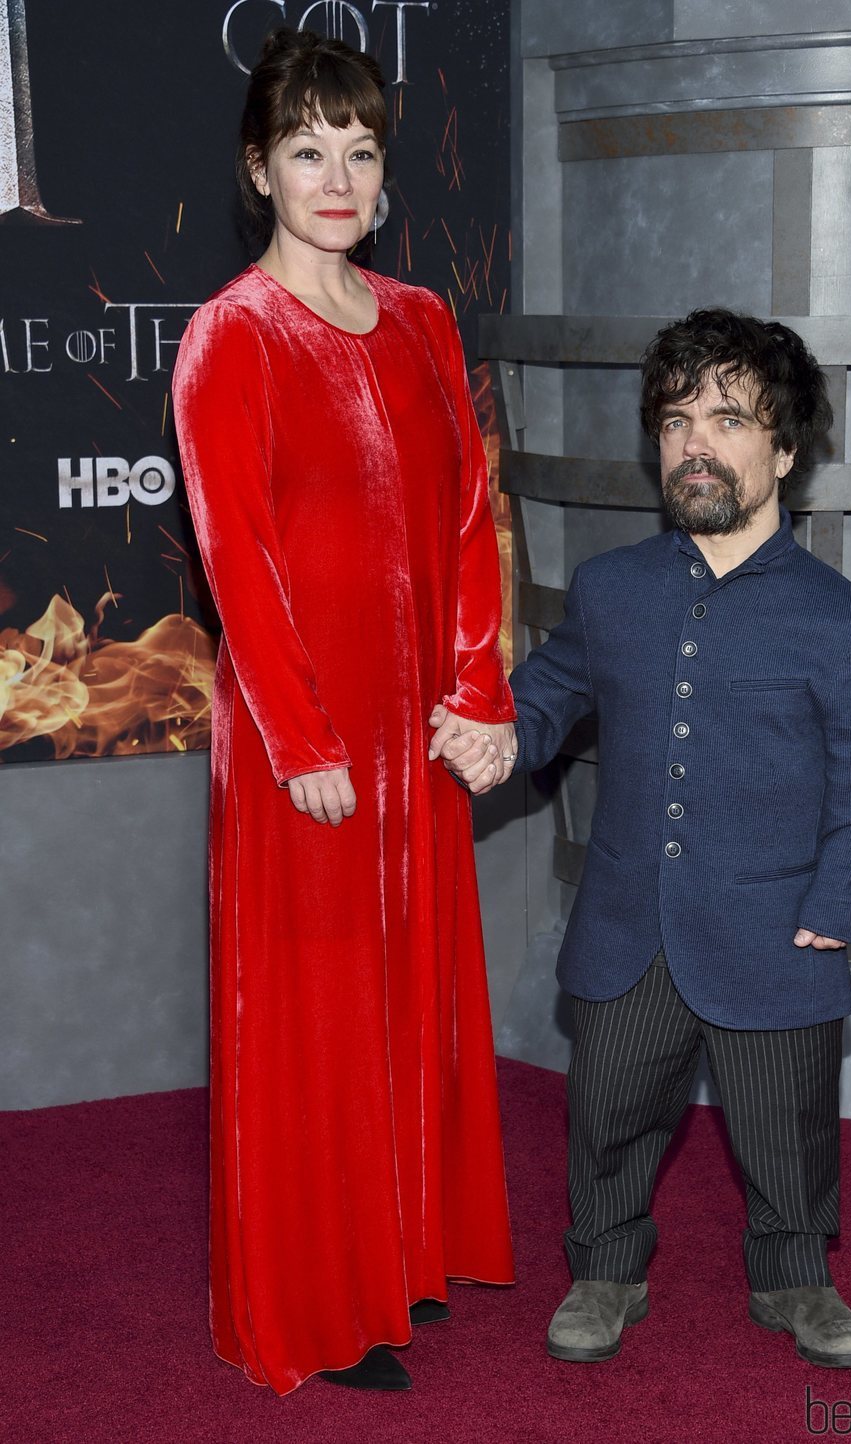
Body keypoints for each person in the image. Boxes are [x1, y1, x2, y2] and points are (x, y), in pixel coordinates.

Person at [436, 309, 851, 1370]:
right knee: (607, 1109)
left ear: (783, 451)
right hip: (627, 921)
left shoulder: (846, 625)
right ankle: (605, 1266)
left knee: (786, 1127)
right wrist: (497, 741)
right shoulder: (611, 590)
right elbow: (546, 700)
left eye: (728, 418)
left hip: (776, 930)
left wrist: (835, 909)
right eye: (675, 419)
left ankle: (793, 1278)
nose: (694, 441)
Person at [172, 28, 517, 1396]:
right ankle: (327, 1300)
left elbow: (471, 519)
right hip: (297, 741)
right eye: (308, 150)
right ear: (261, 169)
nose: (338, 176)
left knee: (408, 996)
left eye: (361, 152)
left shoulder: (428, 320)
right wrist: (300, 740)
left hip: (416, 728)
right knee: (312, 1014)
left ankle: (403, 1257)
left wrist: (476, 693)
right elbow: (234, 558)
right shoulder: (228, 336)